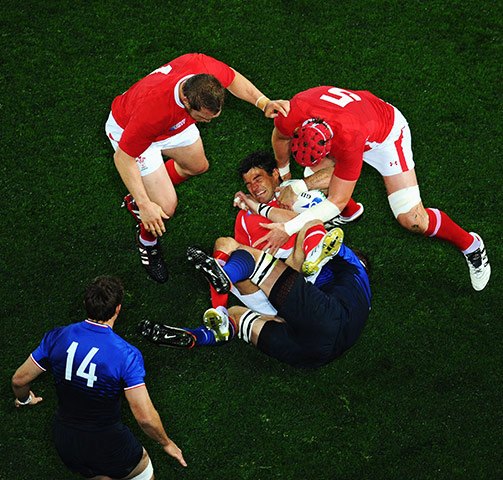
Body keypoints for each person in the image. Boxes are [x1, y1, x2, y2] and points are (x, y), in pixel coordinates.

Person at [257, 86, 490, 291]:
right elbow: (280, 136)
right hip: (357, 119)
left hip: (386, 136)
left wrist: (288, 227)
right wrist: (286, 176)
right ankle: (351, 213)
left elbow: (336, 198)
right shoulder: (294, 111)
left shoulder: (349, 140)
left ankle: (472, 246)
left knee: (412, 219)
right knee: (310, 177)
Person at [105, 53, 290, 283]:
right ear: (186, 102)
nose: (209, 122)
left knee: (197, 166)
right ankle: (147, 240)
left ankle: (142, 195)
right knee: (166, 207)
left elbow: (232, 78)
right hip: (131, 130)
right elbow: (124, 158)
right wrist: (145, 204)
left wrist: (263, 102)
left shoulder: (202, 69)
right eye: (203, 118)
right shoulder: (153, 111)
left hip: (173, 125)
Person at [11, 275, 186, 479]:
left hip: (65, 439)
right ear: (118, 309)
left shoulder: (58, 336)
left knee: (99, 475)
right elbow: (145, 418)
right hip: (107, 441)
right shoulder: (126, 355)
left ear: (86, 303)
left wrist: (24, 399)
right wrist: (166, 442)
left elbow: (19, 380)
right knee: (143, 471)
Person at [139, 222, 371, 369]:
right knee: (237, 316)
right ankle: (199, 336)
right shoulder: (356, 298)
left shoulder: (353, 265)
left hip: (325, 317)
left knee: (308, 227)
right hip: (312, 356)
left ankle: (225, 276)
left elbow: (317, 241)